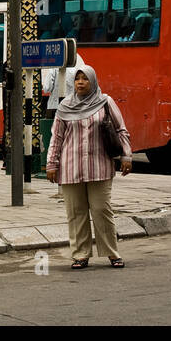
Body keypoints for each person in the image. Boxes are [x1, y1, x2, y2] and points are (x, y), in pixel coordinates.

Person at [46, 64, 133, 269]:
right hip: (70, 166)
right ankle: (80, 255)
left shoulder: (105, 102)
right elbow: (56, 138)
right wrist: (51, 163)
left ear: (92, 81)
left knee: (102, 209)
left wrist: (126, 156)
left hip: (99, 166)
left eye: (85, 79)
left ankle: (112, 253)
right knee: (76, 212)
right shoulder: (65, 106)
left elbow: (121, 130)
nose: (80, 83)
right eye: (77, 79)